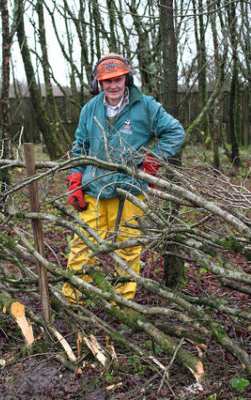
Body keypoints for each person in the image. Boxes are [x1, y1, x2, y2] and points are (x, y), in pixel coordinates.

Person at [62, 53, 185, 304]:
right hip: (93, 188)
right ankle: (74, 301)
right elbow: (80, 146)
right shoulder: (90, 109)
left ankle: (123, 303)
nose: (113, 85)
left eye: (118, 79)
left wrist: (151, 163)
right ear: (98, 83)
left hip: (130, 189)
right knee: (82, 246)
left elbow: (174, 132)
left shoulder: (146, 106)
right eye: (107, 81)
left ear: (126, 79)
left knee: (128, 249)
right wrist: (76, 180)